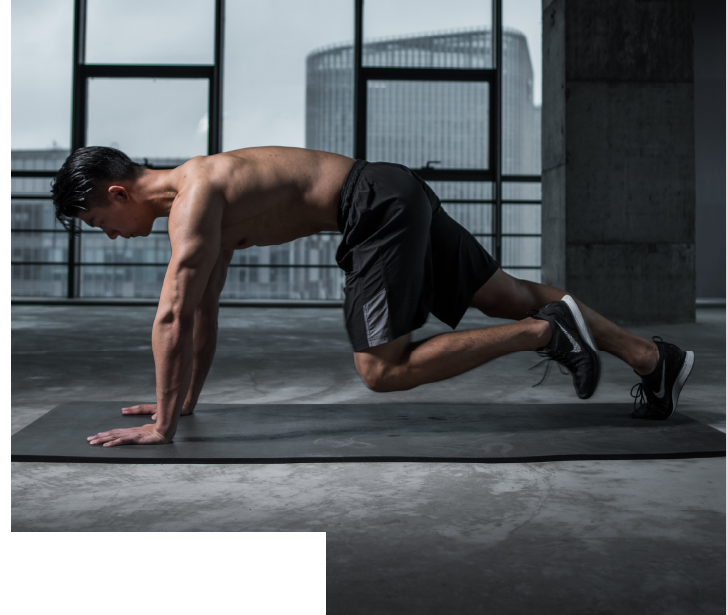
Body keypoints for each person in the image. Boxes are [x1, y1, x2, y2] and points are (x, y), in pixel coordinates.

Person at [50, 146, 695, 448]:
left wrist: (162, 429)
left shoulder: (193, 202)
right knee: (508, 293)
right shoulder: (199, 195)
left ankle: (546, 334)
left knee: (382, 369)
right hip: (390, 189)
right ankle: (651, 358)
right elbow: (202, 310)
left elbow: (170, 315)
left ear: (116, 193)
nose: (108, 237)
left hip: (373, 207)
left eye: (99, 224)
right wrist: (182, 403)